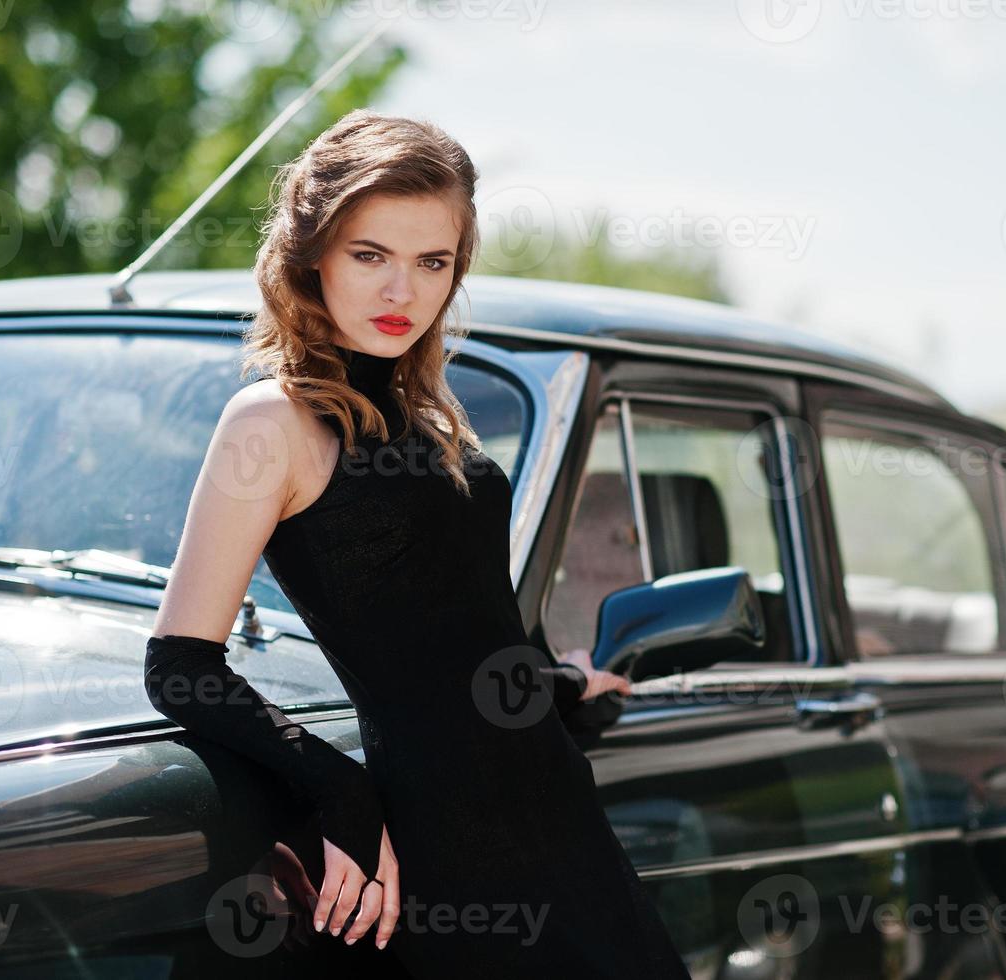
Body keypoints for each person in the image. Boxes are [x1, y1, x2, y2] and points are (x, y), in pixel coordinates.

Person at [143, 109, 692, 978]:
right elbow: (180, 665)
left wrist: (565, 682)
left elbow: (464, 639)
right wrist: (344, 790)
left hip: (560, 825)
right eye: (370, 256)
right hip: (435, 846)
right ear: (310, 253)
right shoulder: (274, 420)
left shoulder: (436, 420)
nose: (402, 292)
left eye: (432, 262)